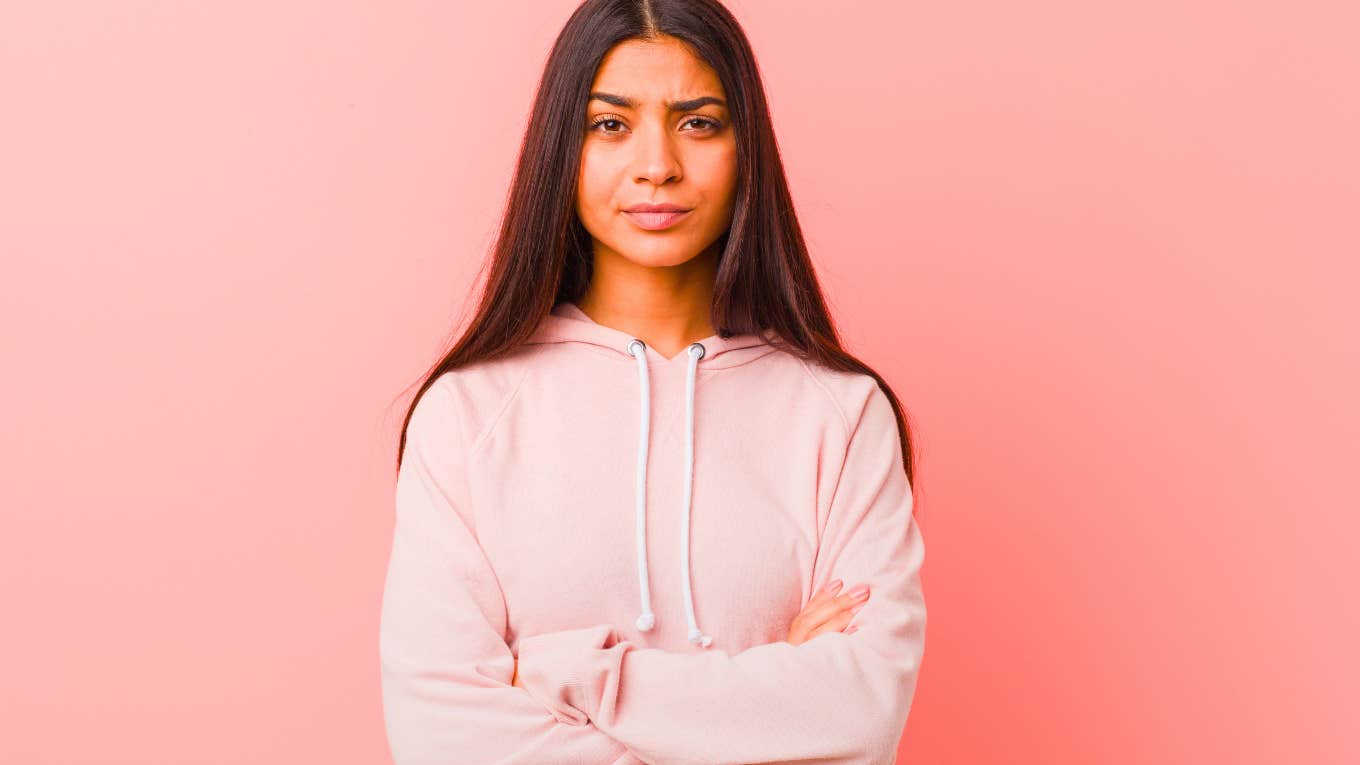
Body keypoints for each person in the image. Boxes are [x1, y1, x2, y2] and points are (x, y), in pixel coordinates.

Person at [378, 1, 927, 763]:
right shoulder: (467, 415)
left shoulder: (841, 414)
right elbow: (440, 734)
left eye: (698, 122)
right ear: (560, 149)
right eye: (610, 124)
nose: (657, 164)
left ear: (748, 149)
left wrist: (568, 677)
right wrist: (772, 705)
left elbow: (861, 710)